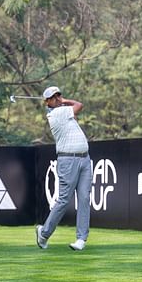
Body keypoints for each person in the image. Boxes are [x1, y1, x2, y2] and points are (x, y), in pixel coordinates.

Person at [36, 86, 93, 251]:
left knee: (84, 199)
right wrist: (66, 101)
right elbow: (79, 105)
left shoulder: (65, 112)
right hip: (68, 160)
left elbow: (76, 110)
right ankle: (44, 233)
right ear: (48, 102)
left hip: (84, 159)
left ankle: (81, 239)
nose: (58, 98)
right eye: (54, 97)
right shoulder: (55, 114)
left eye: (59, 95)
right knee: (63, 200)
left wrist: (62, 101)